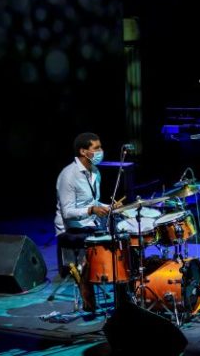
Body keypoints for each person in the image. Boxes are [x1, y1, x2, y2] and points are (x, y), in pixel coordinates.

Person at [54, 132, 118, 311]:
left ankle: (123, 294)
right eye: (96, 148)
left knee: (121, 238)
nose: (100, 151)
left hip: (89, 224)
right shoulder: (68, 176)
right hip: (70, 229)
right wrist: (91, 210)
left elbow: (93, 202)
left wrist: (110, 207)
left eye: (100, 147)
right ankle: (87, 295)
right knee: (96, 245)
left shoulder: (95, 172)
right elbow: (67, 212)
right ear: (83, 151)